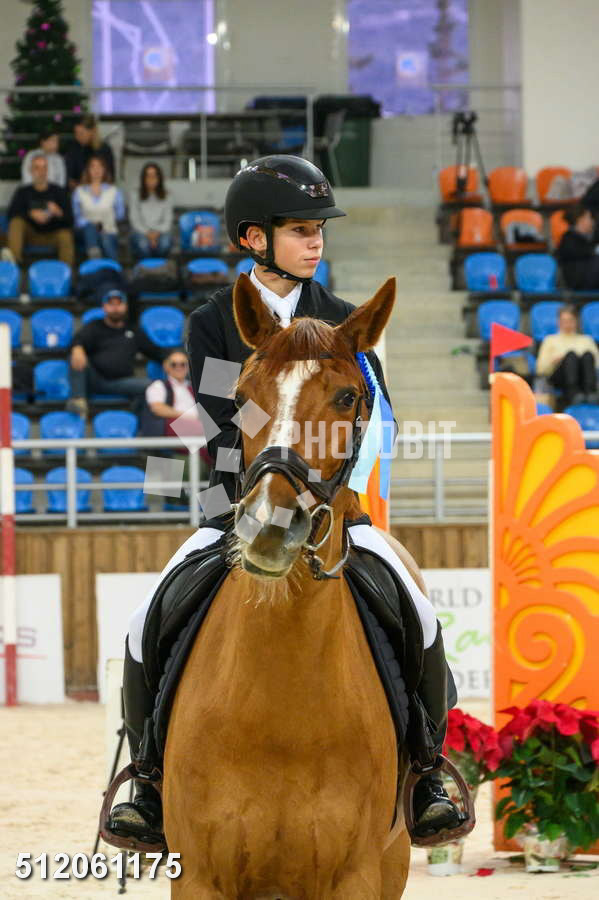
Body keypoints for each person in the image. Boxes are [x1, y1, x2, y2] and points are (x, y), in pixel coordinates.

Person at [107, 156, 460, 847]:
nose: (315, 241)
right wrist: (281, 454)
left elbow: (378, 415)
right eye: (301, 229)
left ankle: (426, 773)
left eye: (318, 229)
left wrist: (334, 481)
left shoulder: (345, 319)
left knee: (420, 616)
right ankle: (147, 781)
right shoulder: (215, 320)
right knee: (145, 619)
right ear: (253, 238)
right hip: (235, 499)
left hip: (333, 505)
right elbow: (220, 419)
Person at [67, 287, 164, 418]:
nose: (115, 308)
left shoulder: (133, 331)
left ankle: (137, 419)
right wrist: (77, 348)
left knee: (154, 387)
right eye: (111, 304)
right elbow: (78, 339)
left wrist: (171, 356)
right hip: (96, 379)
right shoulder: (94, 326)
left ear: (126, 306)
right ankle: (78, 400)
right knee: (75, 355)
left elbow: (155, 352)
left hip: (123, 382)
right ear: (104, 307)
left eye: (119, 304)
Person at [3, 152, 74, 267]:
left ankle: (66, 271)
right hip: (30, 234)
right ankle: (13, 264)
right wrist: (30, 214)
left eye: (44, 167)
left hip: (53, 234)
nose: (41, 171)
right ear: (31, 171)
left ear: (48, 170)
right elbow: (11, 214)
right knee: (16, 223)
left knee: (65, 235)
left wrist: (58, 212)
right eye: (37, 168)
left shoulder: (59, 191)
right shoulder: (23, 192)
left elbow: (70, 220)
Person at [536, 305, 599, 405]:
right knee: (571, 356)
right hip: (560, 378)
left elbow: (597, 365)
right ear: (558, 322)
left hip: (584, 376)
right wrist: (554, 361)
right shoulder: (550, 340)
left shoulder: (587, 340)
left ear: (577, 321)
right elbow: (540, 369)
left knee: (587, 355)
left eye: (570, 320)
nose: (567, 324)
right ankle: (573, 394)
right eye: (564, 321)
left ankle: (591, 393)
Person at [72, 155, 125, 261]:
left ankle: (103, 263)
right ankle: (97, 257)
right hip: (84, 233)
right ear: (88, 170)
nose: (96, 170)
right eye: (93, 166)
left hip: (108, 230)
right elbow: (77, 218)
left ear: (104, 170)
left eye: (100, 166)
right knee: (90, 228)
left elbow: (120, 215)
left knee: (105, 238)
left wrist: (103, 226)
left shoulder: (114, 191)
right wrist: (94, 226)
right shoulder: (79, 191)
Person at [129, 162, 173, 259]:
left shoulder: (167, 196)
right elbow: (134, 220)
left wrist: (156, 234)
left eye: (154, 176)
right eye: (148, 176)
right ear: (143, 178)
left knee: (165, 243)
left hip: (161, 233)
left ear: (159, 178)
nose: (151, 179)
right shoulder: (135, 194)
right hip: (140, 232)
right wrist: (148, 234)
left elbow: (168, 221)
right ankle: (145, 267)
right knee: (143, 245)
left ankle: (159, 267)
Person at [63, 114, 115, 188]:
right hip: (78, 190)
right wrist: (82, 189)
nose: (77, 137)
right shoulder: (72, 149)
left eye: (81, 133)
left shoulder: (105, 150)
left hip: (102, 190)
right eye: (76, 133)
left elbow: (110, 178)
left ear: (92, 131)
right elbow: (68, 179)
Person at [555, 203, 599, 290]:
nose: (592, 222)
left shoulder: (590, 238)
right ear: (580, 219)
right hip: (579, 281)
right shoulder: (568, 239)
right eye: (589, 218)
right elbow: (582, 252)